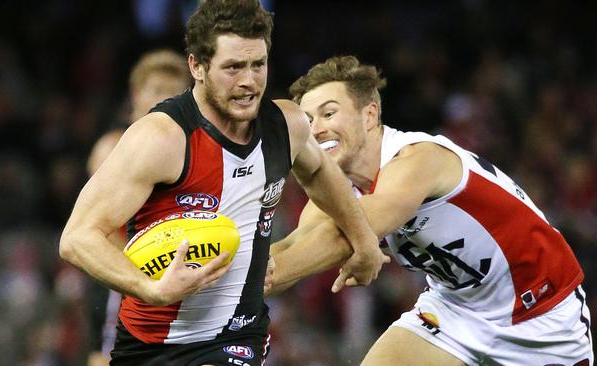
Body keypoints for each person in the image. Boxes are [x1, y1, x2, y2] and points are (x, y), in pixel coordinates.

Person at [59, 2, 386, 365]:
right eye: (233, 68)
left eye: (257, 65)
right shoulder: (160, 139)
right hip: (150, 345)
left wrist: (363, 239)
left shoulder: (286, 126)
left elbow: (321, 173)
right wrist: (150, 288)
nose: (248, 81)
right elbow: (77, 237)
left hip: (237, 337)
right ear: (197, 66)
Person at [269, 56, 594, 365]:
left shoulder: (418, 161)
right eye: (307, 121)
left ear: (370, 115)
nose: (316, 130)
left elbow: (348, 234)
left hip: (542, 312)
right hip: (455, 307)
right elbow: (292, 250)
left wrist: (255, 279)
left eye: (328, 114)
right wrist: (229, 269)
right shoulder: (335, 192)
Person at [85, 49, 192, 366]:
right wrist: (137, 276)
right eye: (157, 91)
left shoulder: (195, 153)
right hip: (120, 278)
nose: (165, 100)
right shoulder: (111, 147)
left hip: (175, 276)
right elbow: (98, 229)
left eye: (174, 93)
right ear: (136, 95)